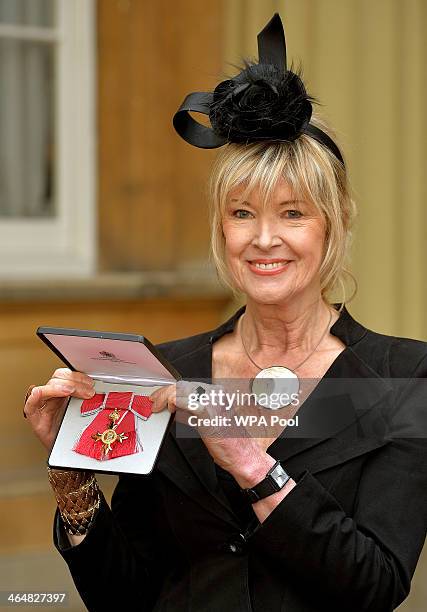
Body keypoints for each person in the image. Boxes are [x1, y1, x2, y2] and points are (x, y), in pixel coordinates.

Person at [24, 14, 427, 612]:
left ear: (333, 224)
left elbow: (376, 586)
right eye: (242, 213)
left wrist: (251, 466)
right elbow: (125, 595)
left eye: (292, 213)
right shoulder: (166, 369)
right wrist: (73, 476)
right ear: (221, 227)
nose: (264, 239)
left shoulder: (403, 377)